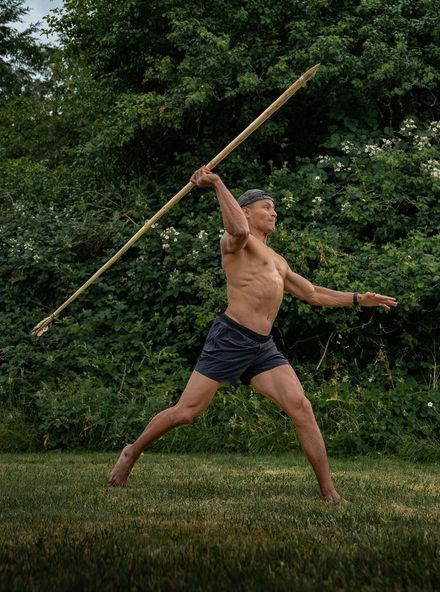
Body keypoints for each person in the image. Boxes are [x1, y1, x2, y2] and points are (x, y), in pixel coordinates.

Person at [108, 166, 397, 499]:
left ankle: (329, 493)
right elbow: (239, 231)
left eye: (274, 208)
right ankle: (133, 450)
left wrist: (359, 299)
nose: (274, 213)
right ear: (246, 210)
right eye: (267, 207)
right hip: (231, 337)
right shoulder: (234, 243)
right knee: (187, 412)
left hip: (262, 347)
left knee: (301, 406)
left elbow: (312, 293)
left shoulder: (277, 260)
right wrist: (216, 182)